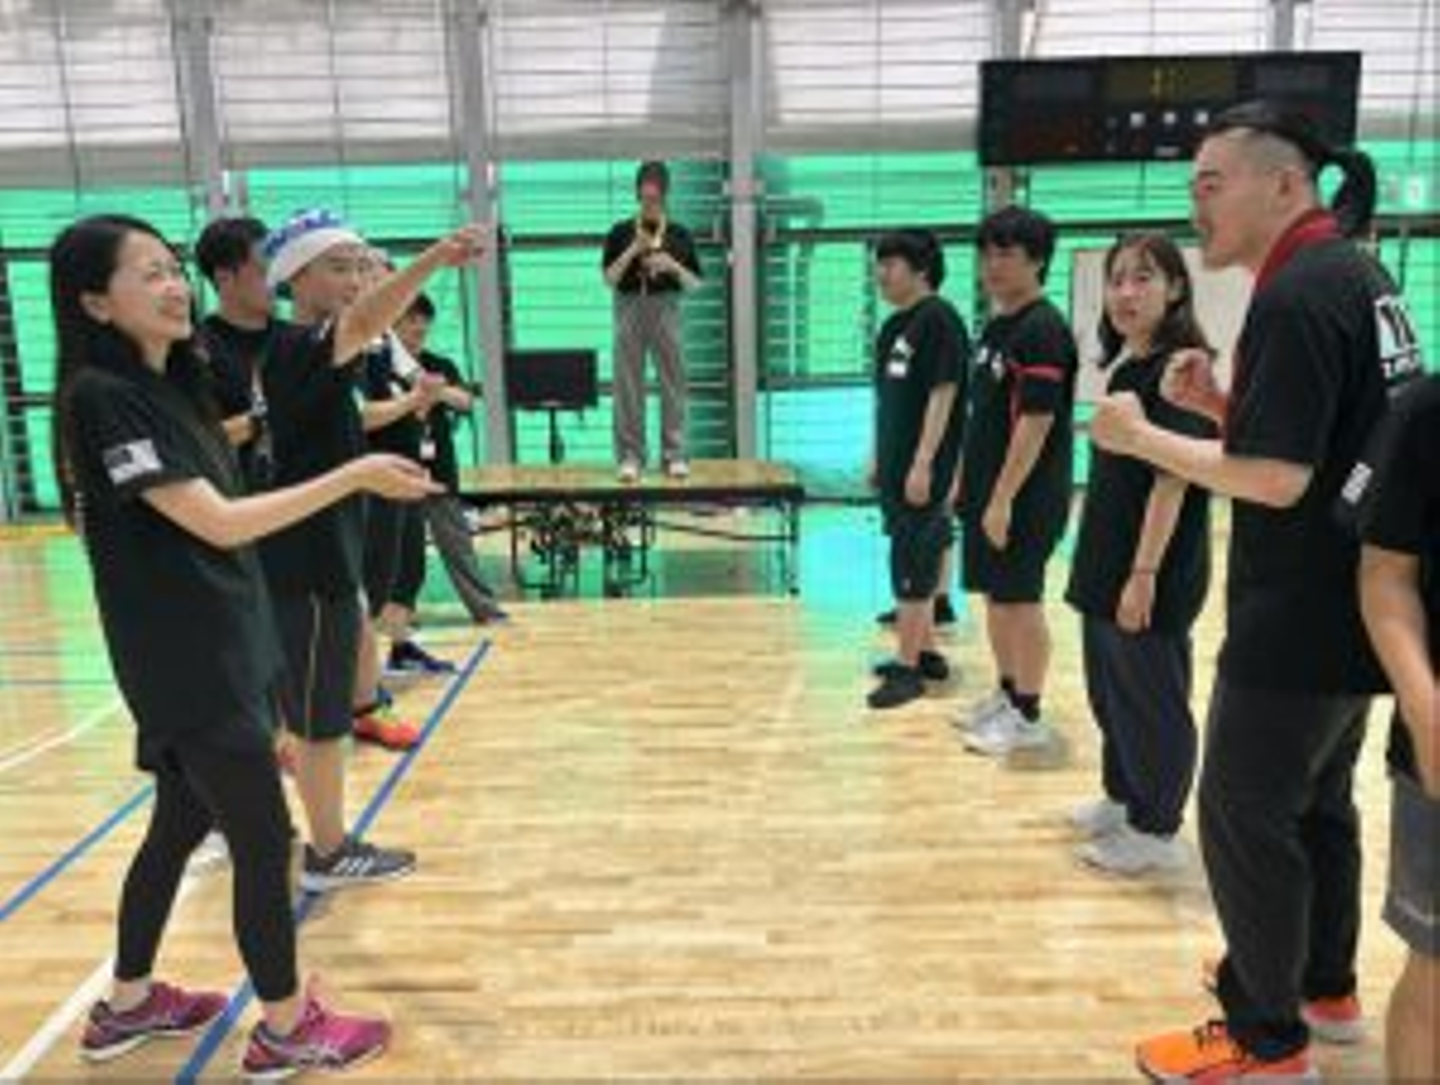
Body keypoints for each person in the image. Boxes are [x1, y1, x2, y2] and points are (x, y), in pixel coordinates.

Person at [52, 214, 438, 1074]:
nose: (171, 286)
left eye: (171, 268)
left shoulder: (174, 383)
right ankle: (286, 1026)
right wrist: (355, 472)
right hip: (186, 666)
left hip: (221, 647)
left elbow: (225, 538)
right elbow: (220, 523)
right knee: (264, 844)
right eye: (147, 273)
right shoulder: (101, 398)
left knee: (177, 826)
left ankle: (127, 1002)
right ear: (95, 302)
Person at [1089, 102, 1424, 1080]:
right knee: (1317, 803)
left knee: (1242, 812)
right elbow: (1319, 440)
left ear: (1284, 184)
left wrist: (1144, 434)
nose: (1197, 203)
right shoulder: (1352, 274)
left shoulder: (1298, 295)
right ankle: (1322, 986)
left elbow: (1276, 478)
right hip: (1356, 598)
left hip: (1300, 607)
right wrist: (1217, 404)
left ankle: (1267, 1039)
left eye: (1211, 182)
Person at [255, 208, 484, 892]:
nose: (357, 279)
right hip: (305, 556)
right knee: (319, 720)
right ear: (295, 278)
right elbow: (362, 321)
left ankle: (313, 839)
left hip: (324, 548)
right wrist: (436, 257)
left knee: (320, 713)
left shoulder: (318, 355)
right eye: (339, 267)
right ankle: (328, 852)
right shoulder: (298, 345)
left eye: (361, 265)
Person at [1064, 232, 1215, 876]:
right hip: (1107, 558)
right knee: (1110, 691)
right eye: (1117, 279)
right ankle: (1124, 797)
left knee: (1151, 699)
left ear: (1175, 289)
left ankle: (1157, 829)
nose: (1125, 292)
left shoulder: (1183, 372)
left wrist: (1144, 573)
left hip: (1150, 567)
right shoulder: (1129, 369)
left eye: (1143, 278)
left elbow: (1171, 481)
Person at [955, 206, 1077, 759]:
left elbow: (1036, 422)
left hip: (1026, 496)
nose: (992, 265)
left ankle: (1028, 714)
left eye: (1006, 253)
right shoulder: (997, 326)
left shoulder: (1043, 329)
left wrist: (1003, 498)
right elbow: (982, 415)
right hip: (987, 493)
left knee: (1021, 601)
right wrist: (967, 480)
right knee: (996, 598)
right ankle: (1007, 695)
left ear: (1038, 260)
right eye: (986, 253)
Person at [1352, 374, 1439, 1084]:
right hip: (1436, 753)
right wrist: (1425, 707)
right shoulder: (1425, 412)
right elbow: (1385, 572)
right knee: (1435, 969)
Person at [865, 229, 969, 711]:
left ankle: (908, 672)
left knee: (914, 558)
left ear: (921, 269)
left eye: (890, 264)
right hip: (895, 463)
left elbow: (944, 393)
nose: (880, 274)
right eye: (878, 264)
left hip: (921, 467)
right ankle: (924, 652)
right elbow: (885, 399)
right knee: (907, 551)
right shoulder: (893, 327)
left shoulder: (939, 319)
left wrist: (925, 461)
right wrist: (877, 455)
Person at [354, 249, 456, 676]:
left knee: (408, 568)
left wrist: (427, 393)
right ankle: (358, 673)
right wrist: (414, 400)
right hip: (370, 474)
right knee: (372, 575)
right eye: (378, 274)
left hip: (406, 467)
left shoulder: (386, 338)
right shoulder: (349, 338)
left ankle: (399, 646)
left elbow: (416, 385)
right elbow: (360, 415)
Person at [393, 293, 508, 626]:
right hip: (398, 469)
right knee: (402, 550)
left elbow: (465, 401)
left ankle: (485, 609)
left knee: (457, 545)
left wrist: (435, 390)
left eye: (424, 320)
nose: (419, 327)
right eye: (411, 320)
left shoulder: (439, 364)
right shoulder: (382, 365)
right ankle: (399, 613)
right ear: (393, 324)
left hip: (439, 468)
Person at [601, 160, 703, 483]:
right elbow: (609, 279)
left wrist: (672, 265)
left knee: (673, 382)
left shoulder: (679, 234)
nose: (649, 205)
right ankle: (630, 456)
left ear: (665, 196)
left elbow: (695, 284)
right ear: (637, 196)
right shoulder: (620, 232)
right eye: (644, 199)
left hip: (666, 308)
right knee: (628, 385)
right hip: (629, 307)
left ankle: (675, 454)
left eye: (655, 199)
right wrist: (633, 249)